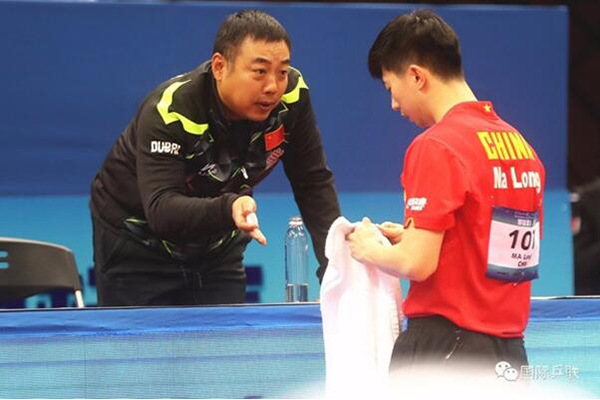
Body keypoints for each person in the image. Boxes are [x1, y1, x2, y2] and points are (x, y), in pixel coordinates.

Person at [90, 10, 340, 306]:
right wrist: (229, 207)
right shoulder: (172, 109)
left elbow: (311, 181)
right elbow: (161, 208)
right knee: (140, 352)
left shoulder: (293, 97)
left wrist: (336, 269)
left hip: (217, 245)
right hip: (137, 243)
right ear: (220, 67)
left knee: (222, 347)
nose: (273, 86)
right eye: (259, 71)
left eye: (282, 72)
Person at [348, 9, 545, 375]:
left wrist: (369, 250)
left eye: (392, 89)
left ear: (416, 76)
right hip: (509, 354)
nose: (394, 105)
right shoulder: (523, 148)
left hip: (445, 351)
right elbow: (484, 244)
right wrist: (411, 236)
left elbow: (417, 264)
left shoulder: (436, 146)